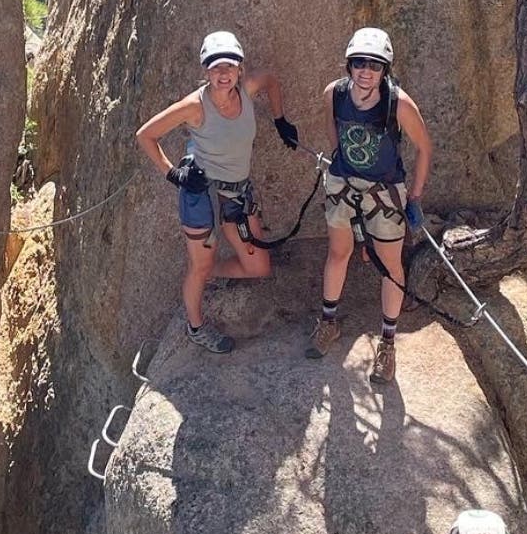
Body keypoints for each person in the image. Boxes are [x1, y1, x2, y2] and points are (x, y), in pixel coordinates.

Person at [135, 30, 298, 354]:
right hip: (201, 193)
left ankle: (210, 273)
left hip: (236, 194)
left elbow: (270, 80)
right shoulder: (194, 106)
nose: (223, 73)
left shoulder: (247, 90)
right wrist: (174, 174)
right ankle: (195, 327)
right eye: (215, 67)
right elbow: (145, 135)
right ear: (205, 71)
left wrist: (280, 120)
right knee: (200, 264)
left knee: (258, 267)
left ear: (239, 68)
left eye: (229, 66)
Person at [304, 27, 432, 383]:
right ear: (349, 65)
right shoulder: (334, 93)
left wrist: (415, 196)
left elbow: (424, 147)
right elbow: (332, 128)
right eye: (359, 63)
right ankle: (328, 322)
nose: (366, 71)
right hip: (344, 184)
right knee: (338, 253)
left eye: (374, 65)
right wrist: (340, 161)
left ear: (384, 69)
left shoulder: (398, 103)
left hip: (384, 191)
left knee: (390, 266)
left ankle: (388, 343)